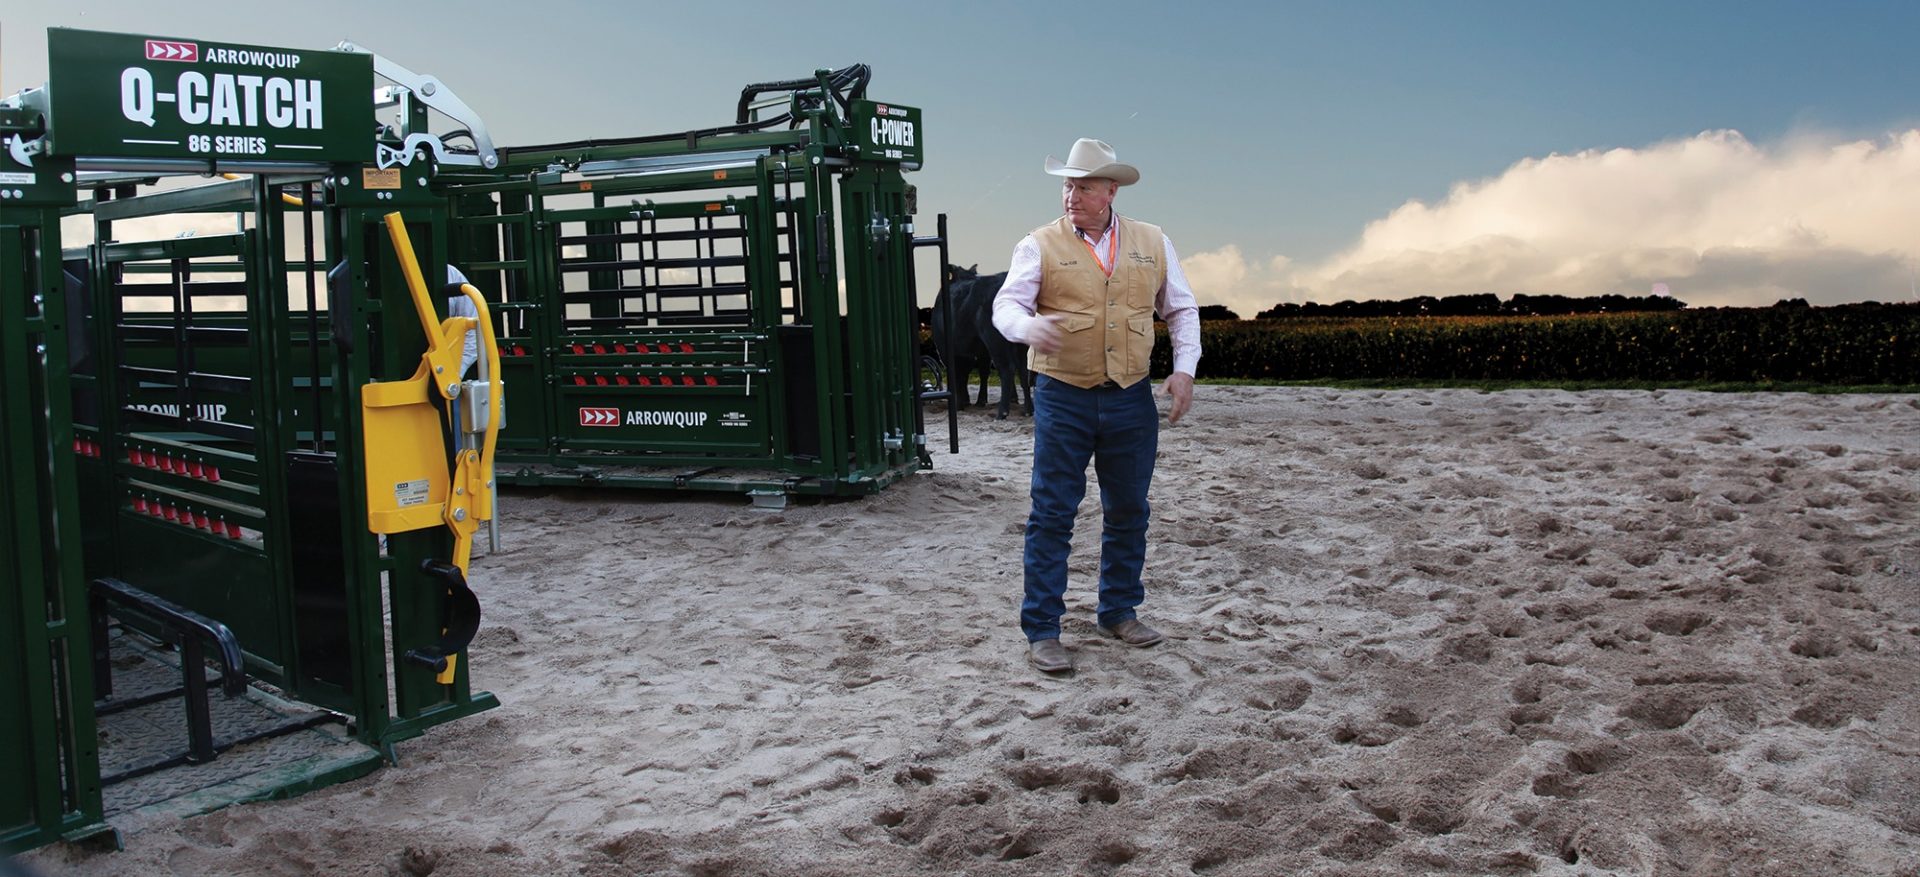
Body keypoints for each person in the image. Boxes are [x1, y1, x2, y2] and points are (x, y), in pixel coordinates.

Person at [991, 138, 1201, 673]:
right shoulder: (1037, 245)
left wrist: (1184, 370)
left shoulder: (1153, 242)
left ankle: (1118, 611)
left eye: (1083, 185)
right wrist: (1028, 326)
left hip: (1131, 397)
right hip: (1063, 396)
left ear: (1111, 190)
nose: (1072, 195)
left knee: (1130, 510)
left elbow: (1180, 309)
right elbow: (1007, 305)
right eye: (1067, 184)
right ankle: (1042, 630)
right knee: (1052, 513)